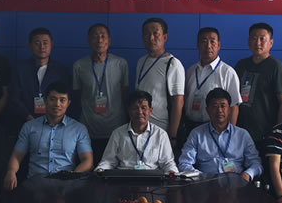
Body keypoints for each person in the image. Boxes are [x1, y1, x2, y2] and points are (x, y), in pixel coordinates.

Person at [3, 82, 93, 190]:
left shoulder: (79, 129)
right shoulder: (29, 127)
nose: (57, 104)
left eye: (62, 100)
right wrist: (11, 171)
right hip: (35, 187)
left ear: (68, 103)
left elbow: (87, 161)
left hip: (65, 187)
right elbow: (17, 156)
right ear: (45, 101)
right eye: (52, 99)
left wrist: (72, 178)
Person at [72, 23, 128, 163]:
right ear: (88, 40)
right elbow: (77, 95)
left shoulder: (121, 64)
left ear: (109, 40)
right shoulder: (79, 65)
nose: (99, 40)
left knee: (113, 168)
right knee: (89, 167)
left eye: (103, 36)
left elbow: (125, 94)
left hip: (116, 127)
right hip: (88, 127)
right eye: (95, 36)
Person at [178, 88, 262, 181]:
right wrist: (201, 177)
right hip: (206, 184)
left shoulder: (242, 135)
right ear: (207, 110)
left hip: (235, 184)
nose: (219, 110)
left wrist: (247, 174)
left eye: (223, 106)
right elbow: (184, 163)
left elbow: (256, 164)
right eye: (214, 106)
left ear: (229, 110)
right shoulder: (197, 134)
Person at [234, 22, 282, 150]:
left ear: (271, 43)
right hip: (241, 133)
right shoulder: (241, 65)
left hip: (266, 134)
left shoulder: (277, 67)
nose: (257, 43)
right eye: (254, 38)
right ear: (248, 41)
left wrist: (280, 134)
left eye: (262, 39)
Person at [95, 90, 178, 173]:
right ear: (129, 111)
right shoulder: (118, 134)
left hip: (152, 178)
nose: (139, 112)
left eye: (143, 108)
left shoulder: (160, 134)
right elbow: (108, 161)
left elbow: (168, 163)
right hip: (124, 177)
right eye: (135, 108)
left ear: (150, 111)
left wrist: (172, 172)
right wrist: (100, 170)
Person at [134, 18, 185, 150]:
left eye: (155, 33)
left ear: (165, 37)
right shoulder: (141, 62)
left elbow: (178, 102)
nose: (151, 38)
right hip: (140, 128)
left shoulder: (173, 64)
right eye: (147, 34)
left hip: (162, 131)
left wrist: (172, 135)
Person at [7, 27, 68, 134]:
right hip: (24, 123)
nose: (42, 47)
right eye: (37, 43)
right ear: (29, 46)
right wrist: (29, 118)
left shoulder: (61, 70)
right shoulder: (19, 69)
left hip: (53, 125)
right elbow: (14, 98)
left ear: (52, 44)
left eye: (45, 43)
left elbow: (65, 98)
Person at [183, 27, 241, 133]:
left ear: (218, 45)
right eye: (204, 41)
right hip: (189, 127)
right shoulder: (190, 71)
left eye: (212, 42)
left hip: (215, 129)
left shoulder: (228, 72)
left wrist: (229, 135)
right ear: (198, 45)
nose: (208, 46)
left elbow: (233, 106)